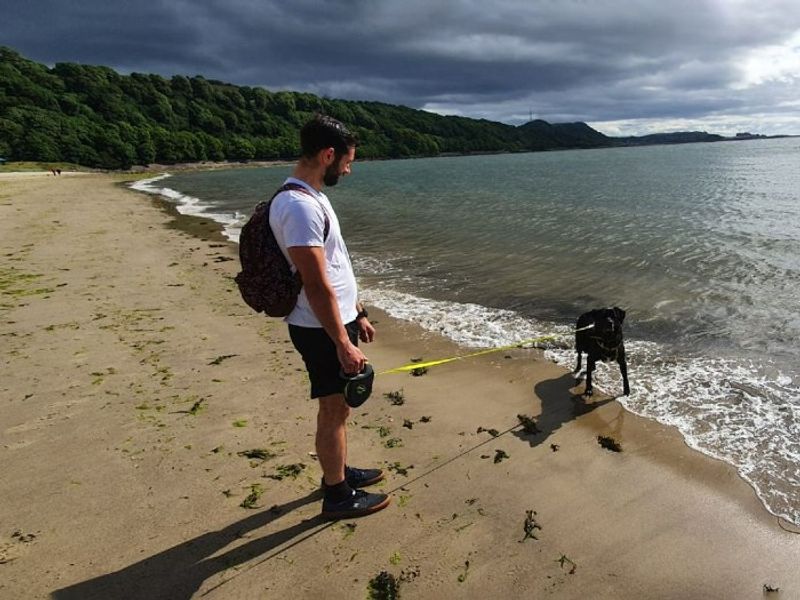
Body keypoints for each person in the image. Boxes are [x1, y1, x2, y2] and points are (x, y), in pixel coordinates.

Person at [270, 114, 390, 519]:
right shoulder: (299, 207)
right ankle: (337, 495)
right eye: (346, 161)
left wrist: (358, 314)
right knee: (332, 409)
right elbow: (315, 284)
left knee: (340, 408)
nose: (349, 169)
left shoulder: (314, 197)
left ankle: (337, 472)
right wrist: (341, 341)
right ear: (327, 155)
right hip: (319, 329)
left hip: (336, 322)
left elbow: (337, 268)